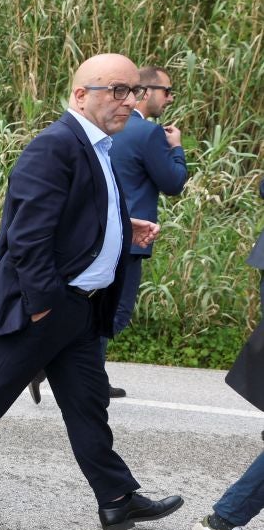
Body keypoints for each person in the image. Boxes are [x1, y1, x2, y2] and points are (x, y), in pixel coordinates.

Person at [0, 53, 183, 530]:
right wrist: (44, 306)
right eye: (116, 90)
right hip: (50, 306)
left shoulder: (98, 146)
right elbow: (28, 237)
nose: (128, 100)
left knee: (88, 402)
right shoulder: (54, 146)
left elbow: (78, 212)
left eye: (133, 91)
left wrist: (121, 226)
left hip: (80, 309)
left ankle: (117, 497)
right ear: (81, 95)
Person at [104, 64, 183, 395]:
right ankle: (58, 363)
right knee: (117, 310)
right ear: (146, 92)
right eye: (167, 92)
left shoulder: (107, 125)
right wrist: (176, 148)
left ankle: (88, 375)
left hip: (102, 229)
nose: (170, 99)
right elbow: (173, 182)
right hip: (132, 232)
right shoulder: (148, 133)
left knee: (99, 304)